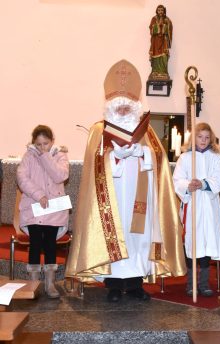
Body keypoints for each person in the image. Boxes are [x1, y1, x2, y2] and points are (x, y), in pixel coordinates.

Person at [65, 59, 185, 303]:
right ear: (109, 105)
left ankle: (135, 285)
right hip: (113, 198)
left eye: (127, 105)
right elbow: (94, 164)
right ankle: (114, 286)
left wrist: (144, 153)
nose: (122, 109)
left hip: (141, 199)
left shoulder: (147, 131)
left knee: (138, 240)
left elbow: (159, 160)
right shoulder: (99, 130)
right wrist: (114, 158)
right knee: (116, 237)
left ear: (135, 105)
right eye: (118, 105)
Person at [173, 123, 220, 297]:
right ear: (193, 138)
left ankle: (203, 284)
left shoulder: (216, 158)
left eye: (206, 137)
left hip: (209, 207)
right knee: (192, 244)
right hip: (192, 205)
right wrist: (189, 185)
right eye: (199, 136)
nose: (203, 140)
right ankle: (190, 284)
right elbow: (177, 179)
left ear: (211, 139)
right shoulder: (185, 158)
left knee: (207, 244)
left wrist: (203, 183)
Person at [17, 125, 69, 299]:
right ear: (33, 143)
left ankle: (50, 283)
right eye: (38, 145)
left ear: (52, 141)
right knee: (36, 244)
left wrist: (46, 156)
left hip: (53, 209)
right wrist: (38, 195)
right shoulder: (28, 156)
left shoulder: (60, 155)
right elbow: (22, 178)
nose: (41, 148)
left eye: (45, 144)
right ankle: (33, 283)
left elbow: (59, 176)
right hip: (34, 207)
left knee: (50, 245)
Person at [148, 4, 173, 80]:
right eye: (159, 10)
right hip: (155, 41)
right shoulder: (154, 19)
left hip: (164, 41)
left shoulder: (167, 19)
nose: (160, 12)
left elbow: (170, 28)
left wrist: (165, 26)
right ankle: (155, 71)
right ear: (157, 11)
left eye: (162, 10)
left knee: (164, 56)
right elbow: (151, 28)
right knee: (155, 56)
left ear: (164, 11)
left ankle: (163, 72)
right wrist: (158, 25)